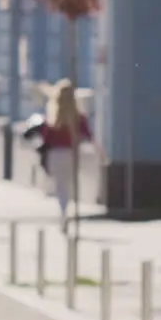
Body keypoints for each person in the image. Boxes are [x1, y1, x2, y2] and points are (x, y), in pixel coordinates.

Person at [38, 79, 97, 232]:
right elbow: (88, 135)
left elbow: (46, 138)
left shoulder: (53, 116)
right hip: (71, 154)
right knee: (68, 185)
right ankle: (66, 211)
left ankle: (63, 212)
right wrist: (98, 151)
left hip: (55, 154)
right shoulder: (78, 117)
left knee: (60, 186)